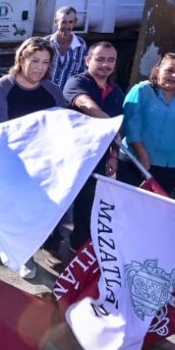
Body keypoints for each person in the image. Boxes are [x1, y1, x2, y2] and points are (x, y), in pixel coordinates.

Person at [0, 36, 65, 277]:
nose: (39, 67)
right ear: (22, 59)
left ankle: (25, 255)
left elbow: (61, 127)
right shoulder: (3, 87)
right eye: (34, 60)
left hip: (42, 165)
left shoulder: (53, 91)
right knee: (4, 209)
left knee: (30, 214)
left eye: (45, 62)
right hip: (10, 162)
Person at [64, 42, 125, 251]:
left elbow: (120, 127)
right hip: (69, 155)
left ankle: (76, 246)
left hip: (97, 157)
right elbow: (84, 103)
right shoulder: (76, 82)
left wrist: (114, 155)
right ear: (87, 60)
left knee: (87, 204)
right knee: (59, 203)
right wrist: (109, 122)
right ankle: (50, 245)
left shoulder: (116, 92)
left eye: (110, 60)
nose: (105, 64)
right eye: (100, 59)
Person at [120, 53, 175, 197]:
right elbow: (131, 125)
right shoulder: (141, 90)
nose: (174, 75)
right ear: (158, 70)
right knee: (124, 207)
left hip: (170, 168)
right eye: (169, 70)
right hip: (134, 162)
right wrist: (143, 155)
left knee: (155, 213)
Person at [49, 6, 87, 93]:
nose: (67, 26)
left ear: (75, 22)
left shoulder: (81, 45)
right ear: (56, 22)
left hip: (68, 96)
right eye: (63, 22)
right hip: (46, 94)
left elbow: (83, 72)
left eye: (70, 22)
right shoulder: (45, 43)